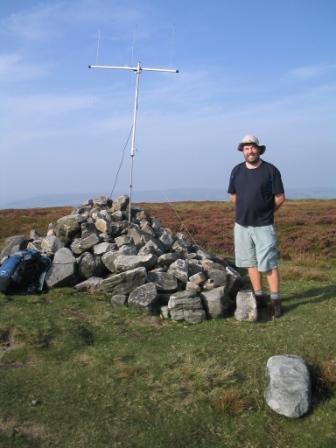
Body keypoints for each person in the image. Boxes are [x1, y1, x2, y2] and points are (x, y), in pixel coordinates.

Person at [227, 135, 285, 318]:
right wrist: (244, 212)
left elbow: (280, 198)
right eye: (246, 148)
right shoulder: (236, 170)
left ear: (259, 149)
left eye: (252, 147)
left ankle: (275, 301)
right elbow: (233, 196)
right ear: (242, 151)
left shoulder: (271, 170)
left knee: (268, 264)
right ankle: (259, 297)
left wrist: (266, 213)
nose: (250, 151)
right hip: (241, 225)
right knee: (249, 262)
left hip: (264, 226)